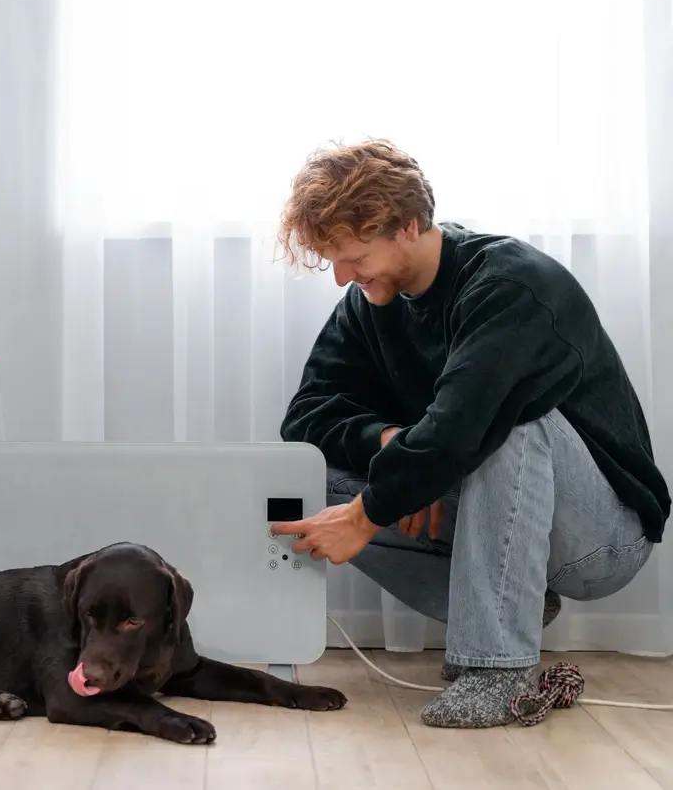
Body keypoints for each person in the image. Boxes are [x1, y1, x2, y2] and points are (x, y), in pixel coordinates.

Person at [269, 138, 669, 728]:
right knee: (302, 480)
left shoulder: (511, 287)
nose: (341, 278)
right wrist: (394, 447)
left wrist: (369, 513)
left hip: (602, 539)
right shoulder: (369, 301)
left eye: (353, 257)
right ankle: (509, 610)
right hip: (481, 491)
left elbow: (464, 429)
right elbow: (305, 415)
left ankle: (498, 669)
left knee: (505, 426)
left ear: (406, 225)